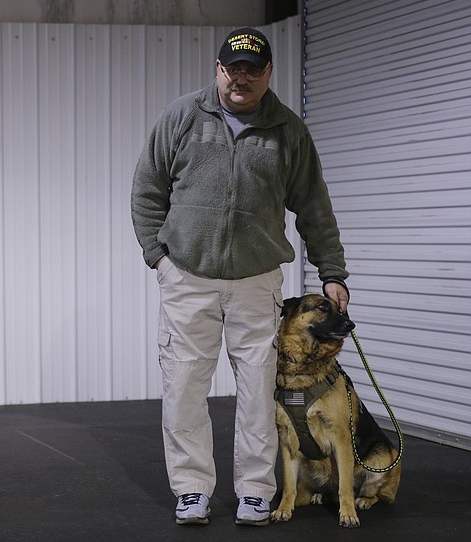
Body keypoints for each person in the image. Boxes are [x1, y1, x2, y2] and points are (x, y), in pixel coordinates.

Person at [130, 27, 350, 527]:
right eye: (233, 69)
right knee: (184, 384)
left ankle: (255, 490)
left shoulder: (288, 130)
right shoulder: (183, 116)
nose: (241, 79)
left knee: (257, 388)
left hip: (256, 281)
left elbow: (314, 207)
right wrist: (158, 258)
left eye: (253, 70)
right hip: (187, 276)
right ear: (218, 68)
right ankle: (191, 489)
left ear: (268, 73)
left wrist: (332, 270)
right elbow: (146, 190)